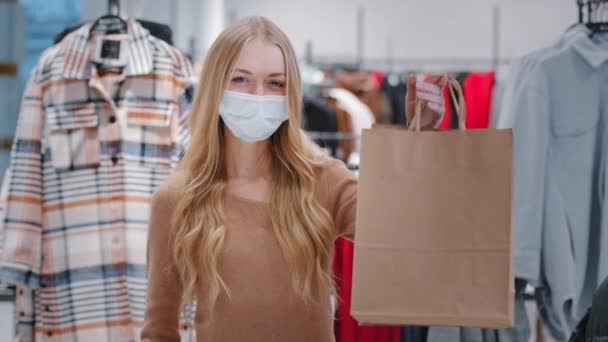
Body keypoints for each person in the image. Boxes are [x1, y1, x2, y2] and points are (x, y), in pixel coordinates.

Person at [141, 16, 446, 342]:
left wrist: (419, 137)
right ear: (216, 85)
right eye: (241, 79)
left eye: (275, 83)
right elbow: (159, 329)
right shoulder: (176, 198)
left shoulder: (322, 180)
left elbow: (400, 224)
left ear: (292, 93)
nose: (258, 95)